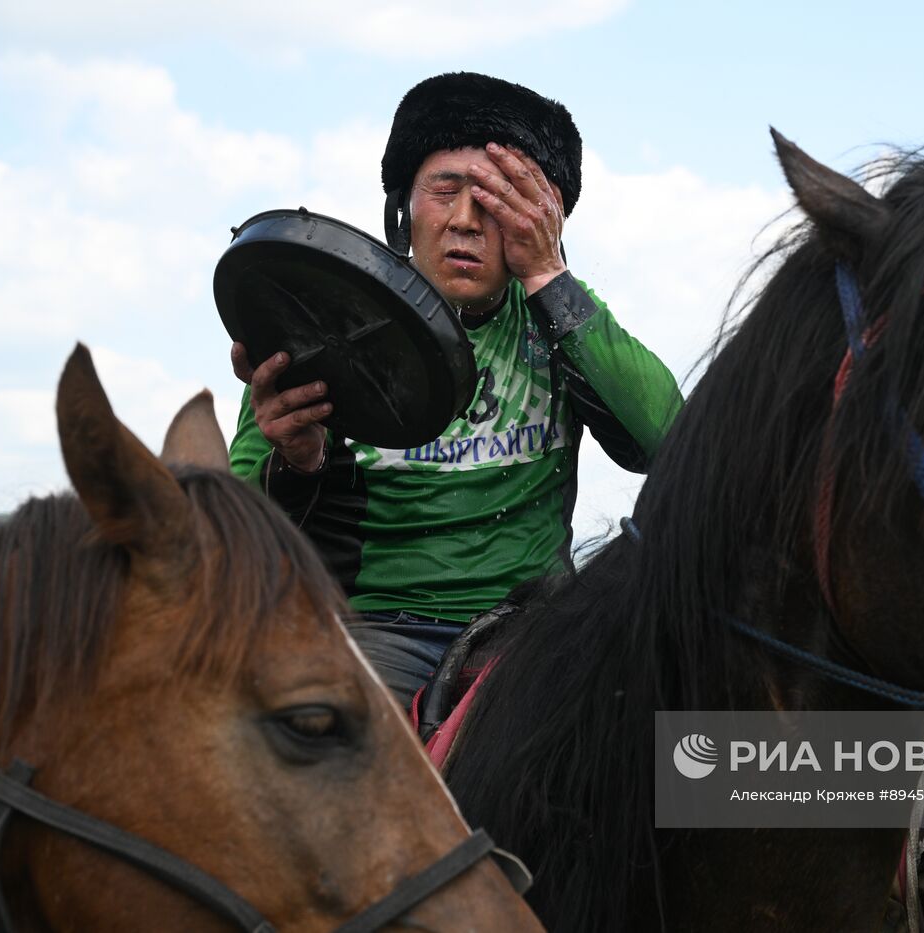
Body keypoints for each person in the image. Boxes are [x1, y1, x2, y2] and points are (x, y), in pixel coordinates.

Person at [229, 72, 683, 708]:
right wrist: (297, 463)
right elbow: (235, 543)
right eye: (444, 191)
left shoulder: (562, 320)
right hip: (374, 631)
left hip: (531, 629)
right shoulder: (325, 326)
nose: (465, 220)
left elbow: (668, 443)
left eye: (500, 201)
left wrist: (549, 275)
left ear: (543, 220)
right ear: (404, 209)